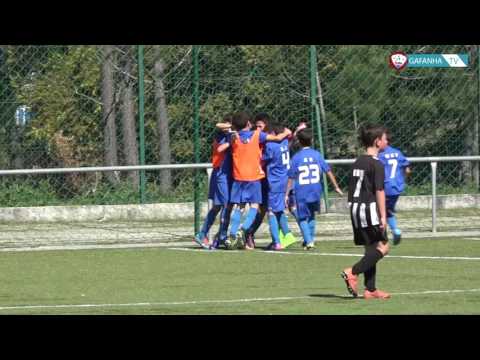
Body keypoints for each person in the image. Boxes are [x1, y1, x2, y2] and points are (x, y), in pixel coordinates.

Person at [226, 111, 291, 250]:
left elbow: (225, 129)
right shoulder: (257, 135)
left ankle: (231, 234)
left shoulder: (233, 137)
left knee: (240, 206)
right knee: (255, 206)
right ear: (249, 124)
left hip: (238, 178)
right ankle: (243, 231)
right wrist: (287, 132)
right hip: (254, 177)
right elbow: (278, 138)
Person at [341, 124, 391, 300]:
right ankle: (352, 272)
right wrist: (383, 216)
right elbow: (379, 191)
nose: (387, 141)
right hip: (369, 210)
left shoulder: (358, 161)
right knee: (384, 247)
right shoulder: (377, 164)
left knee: (371, 249)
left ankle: (370, 289)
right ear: (377, 142)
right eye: (385, 138)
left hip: (355, 209)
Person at [286, 128, 343, 250]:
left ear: (299, 142)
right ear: (312, 140)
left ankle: (309, 241)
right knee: (312, 215)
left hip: (302, 191)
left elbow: (291, 177)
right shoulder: (317, 155)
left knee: (302, 217)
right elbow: (328, 171)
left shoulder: (296, 158)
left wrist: (286, 194)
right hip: (316, 189)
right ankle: (310, 239)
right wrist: (336, 187)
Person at [194, 115, 233, 249]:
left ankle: (202, 233)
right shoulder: (221, 136)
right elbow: (220, 149)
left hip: (226, 175)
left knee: (217, 206)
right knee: (226, 205)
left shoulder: (233, 134)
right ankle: (222, 235)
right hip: (220, 174)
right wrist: (230, 140)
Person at [262, 122, 296, 250]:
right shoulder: (285, 142)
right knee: (279, 210)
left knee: (271, 211)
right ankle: (287, 235)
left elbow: (263, 159)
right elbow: (288, 130)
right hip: (285, 180)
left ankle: (276, 241)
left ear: (272, 134)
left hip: (275, 182)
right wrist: (285, 133)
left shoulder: (270, 146)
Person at [378, 133, 411, 245]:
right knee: (387, 210)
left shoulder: (380, 155)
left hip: (384, 187)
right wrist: (401, 181)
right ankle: (393, 231)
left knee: (380, 211)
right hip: (397, 188)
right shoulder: (397, 152)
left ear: (386, 141)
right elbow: (407, 170)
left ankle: (388, 234)